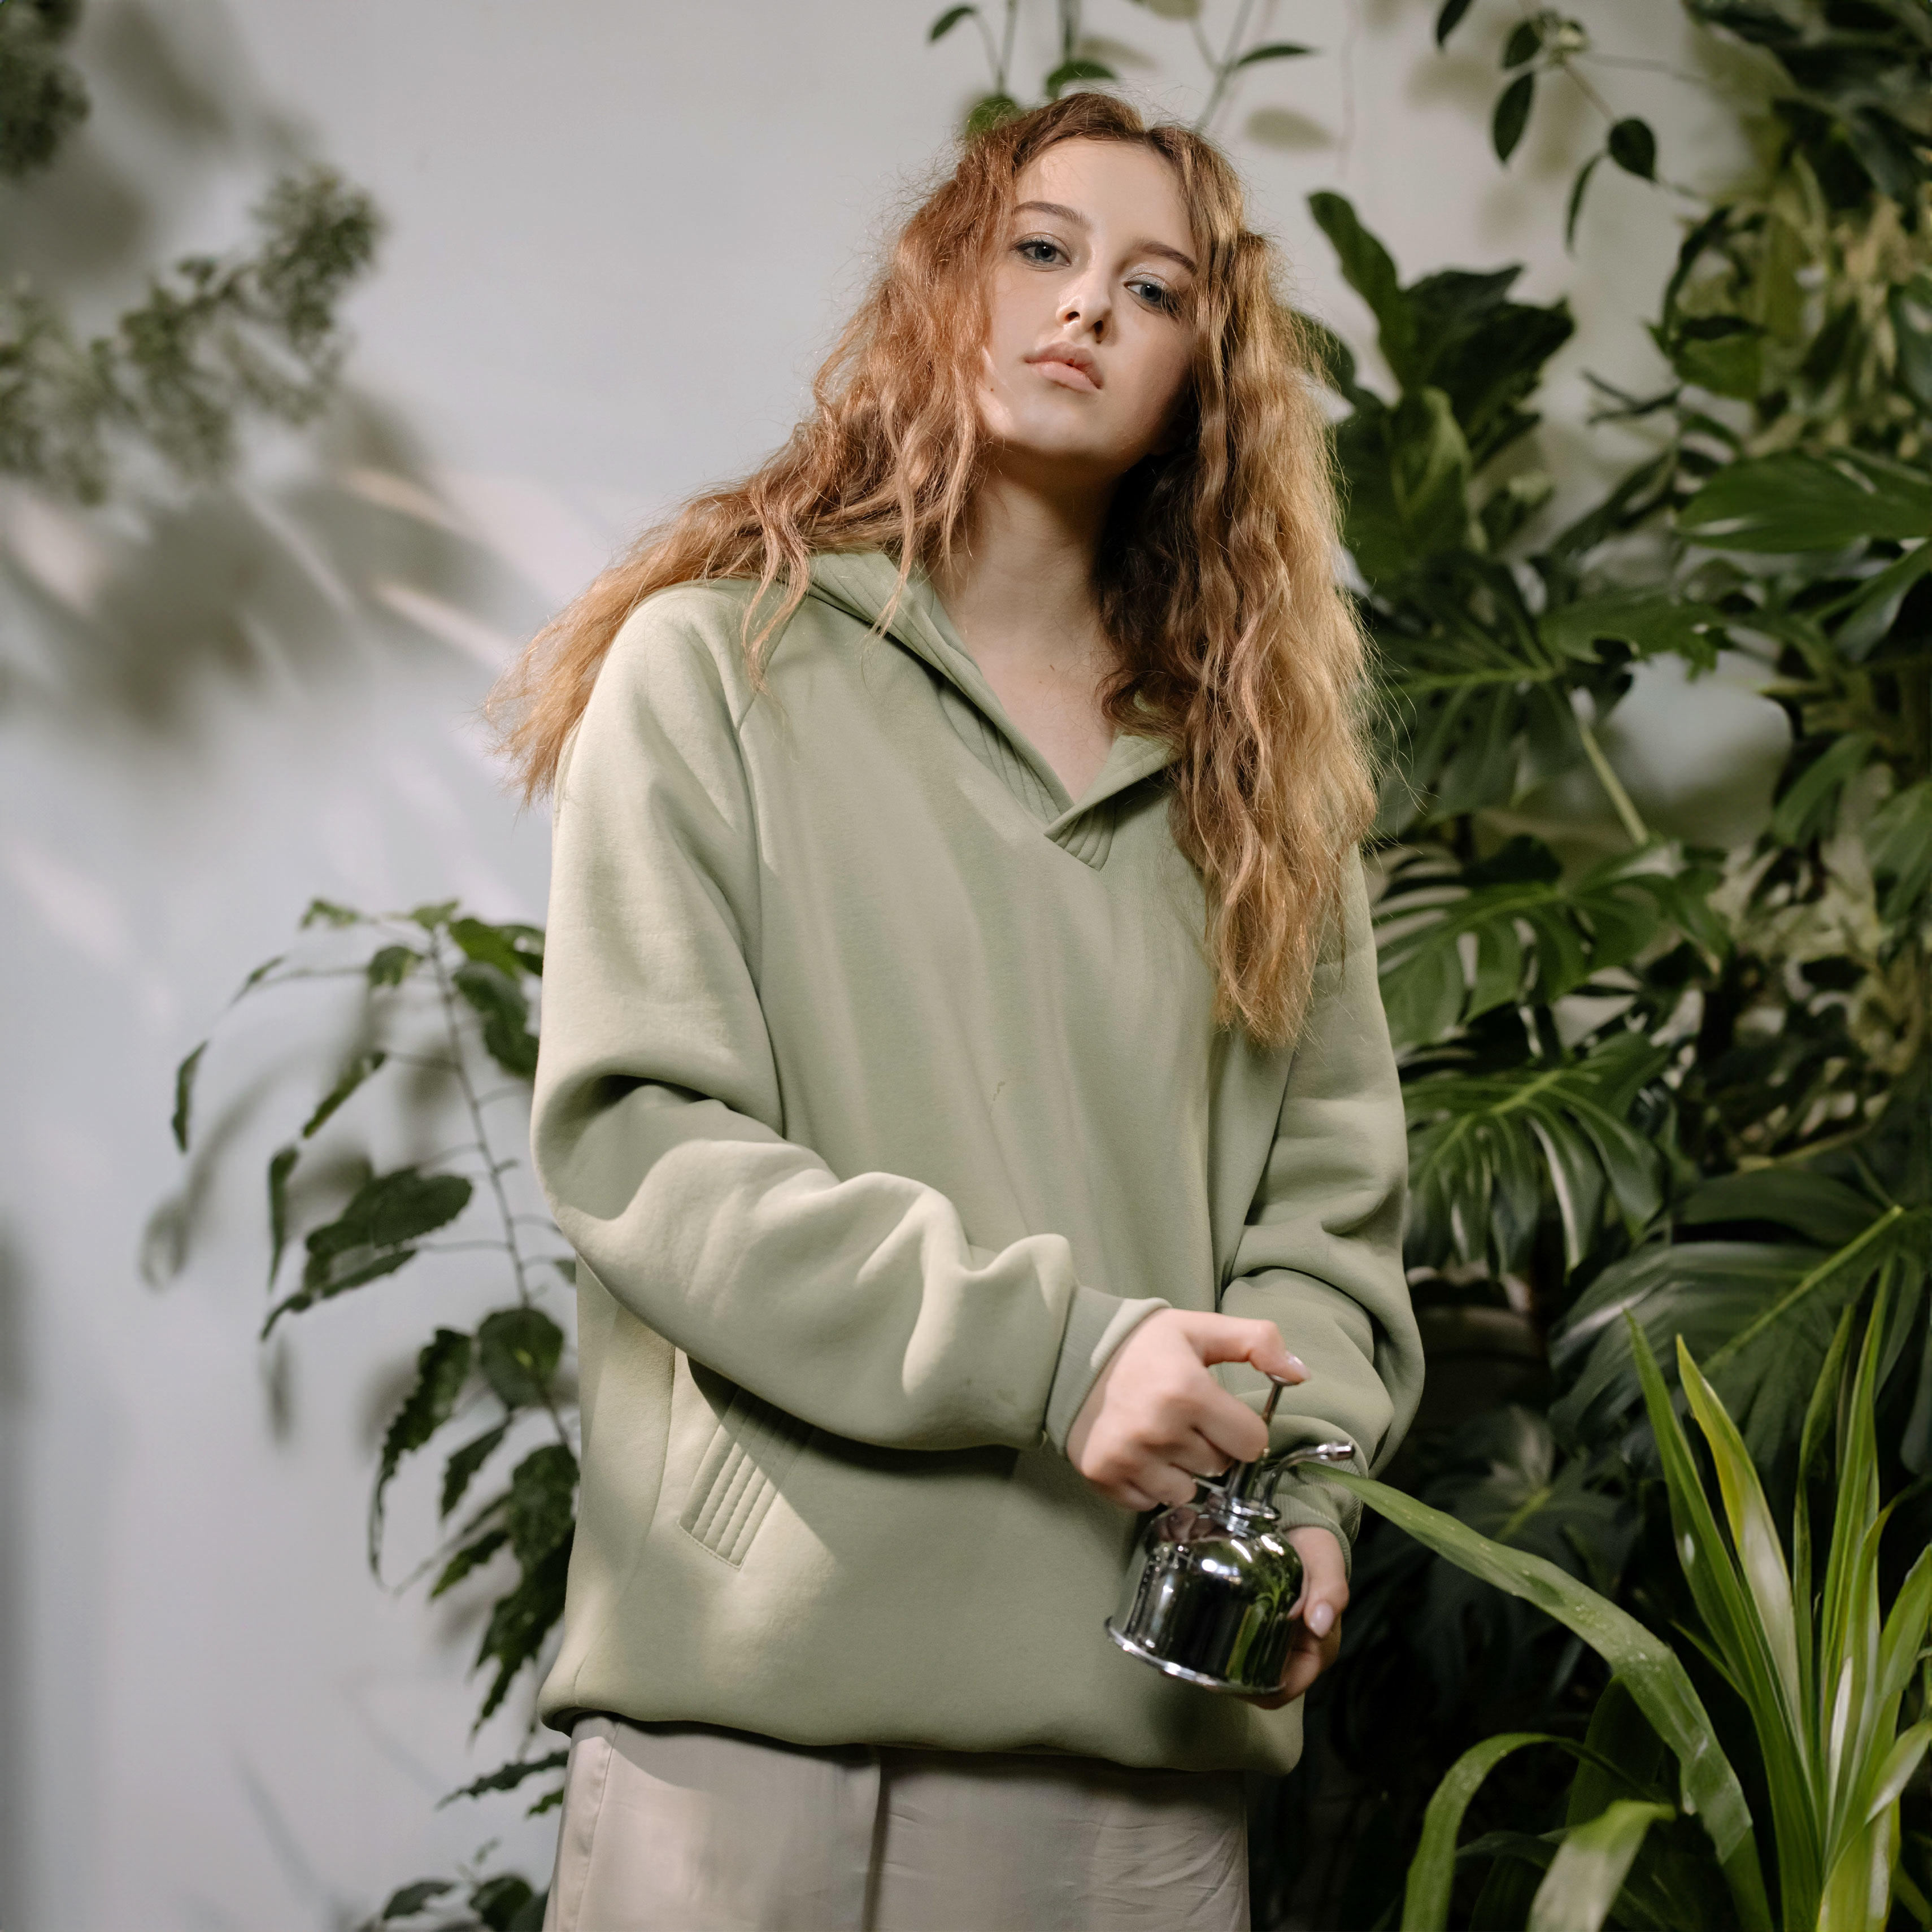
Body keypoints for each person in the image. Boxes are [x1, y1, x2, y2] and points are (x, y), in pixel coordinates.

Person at [490, 88, 1423, 1932]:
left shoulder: (1257, 784)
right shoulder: (716, 667)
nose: (1085, 305)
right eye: (1041, 249)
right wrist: (1060, 1353)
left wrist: (1301, 1489)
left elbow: (1323, 1225)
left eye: (1154, 289)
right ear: (944, 283)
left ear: (1202, 377)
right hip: (758, 1717)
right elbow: (645, 1148)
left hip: (1126, 1739)